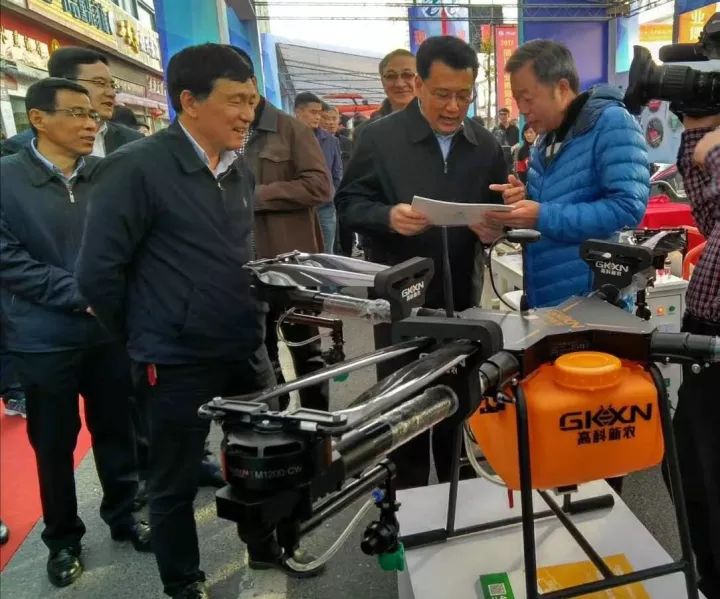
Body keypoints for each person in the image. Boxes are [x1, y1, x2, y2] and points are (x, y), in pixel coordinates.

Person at [76, 44, 311, 598]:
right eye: (235, 101)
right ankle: (183, 582)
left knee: (263, 456)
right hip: (173, 358)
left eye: (251, 101)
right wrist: (143, 335)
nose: (247, 114)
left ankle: (266, 545)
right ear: (189, 101)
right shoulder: (134, 168)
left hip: (242, 343)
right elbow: (97, 275)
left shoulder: (238, 170)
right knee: (173, 481)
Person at [336, 35, 507, 488]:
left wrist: (495, 228)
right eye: (442, 94)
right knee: (405, 410)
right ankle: (407, 504)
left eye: (464, 96)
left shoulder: (485, 146)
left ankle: (460, 498)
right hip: (400, 302)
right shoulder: (379, 138)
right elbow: (348, 203)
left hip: (461, 301)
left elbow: (497, 212)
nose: (453, 107)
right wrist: (387, 217)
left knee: (459, 403)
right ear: (418, 85)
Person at [0, 77, 150, 588]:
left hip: (107, 332)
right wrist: (83, 291)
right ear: (38, 119)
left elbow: (133, 240)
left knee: (116, 431)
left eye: (94, 116)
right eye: (77, 114)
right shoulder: (6, 179)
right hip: (42, 337)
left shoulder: (106, 175)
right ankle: (62, 539)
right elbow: (7, 259)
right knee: (54, 442)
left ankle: (124, 516)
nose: (90, 124)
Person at [485, 39, 649, 308]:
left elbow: (628, 208)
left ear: (561, 88)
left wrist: (541, 215)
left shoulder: (611, 122)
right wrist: (523, 199)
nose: (522, 110)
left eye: (527, 98)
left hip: (593, 301)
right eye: (517, 100)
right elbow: (560, 200)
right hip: (549, 298)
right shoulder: (546, 139)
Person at [233, 47, 332, 413]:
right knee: (260, 354)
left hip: (289, 264)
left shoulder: (290, 130)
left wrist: (254, 196)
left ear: (253, 82)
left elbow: (320, 187)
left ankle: (317, 424)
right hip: (242, 265)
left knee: (306, 349)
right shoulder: (221, 131)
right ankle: (275, 424)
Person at [671, 117, 720, 599]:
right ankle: (709, 579)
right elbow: (710, 216)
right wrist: (695, 134)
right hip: (703, 335)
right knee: (687, 470)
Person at [1, 47, 142, 157]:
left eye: (112, 85)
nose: (111, 93)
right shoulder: (18, 149)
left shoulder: (135, 142)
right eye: (100, 83)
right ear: (65, 84)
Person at [294, 92, 342, 254]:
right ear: (298, 111)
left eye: (319, 113)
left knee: (326, 253)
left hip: (325, 207)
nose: (317, 117)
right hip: (298, 207)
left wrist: (332, 195)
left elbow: (337, 173)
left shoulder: (330, 140)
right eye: (313, 112)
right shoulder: (287, 138)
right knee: (300, 253)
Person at [353, 48, 416, 148]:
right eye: (391, 76)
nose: (399, 84)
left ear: (420, 79)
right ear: (382, 81)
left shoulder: (437, 125)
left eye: (407, 75)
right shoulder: (365, 132)